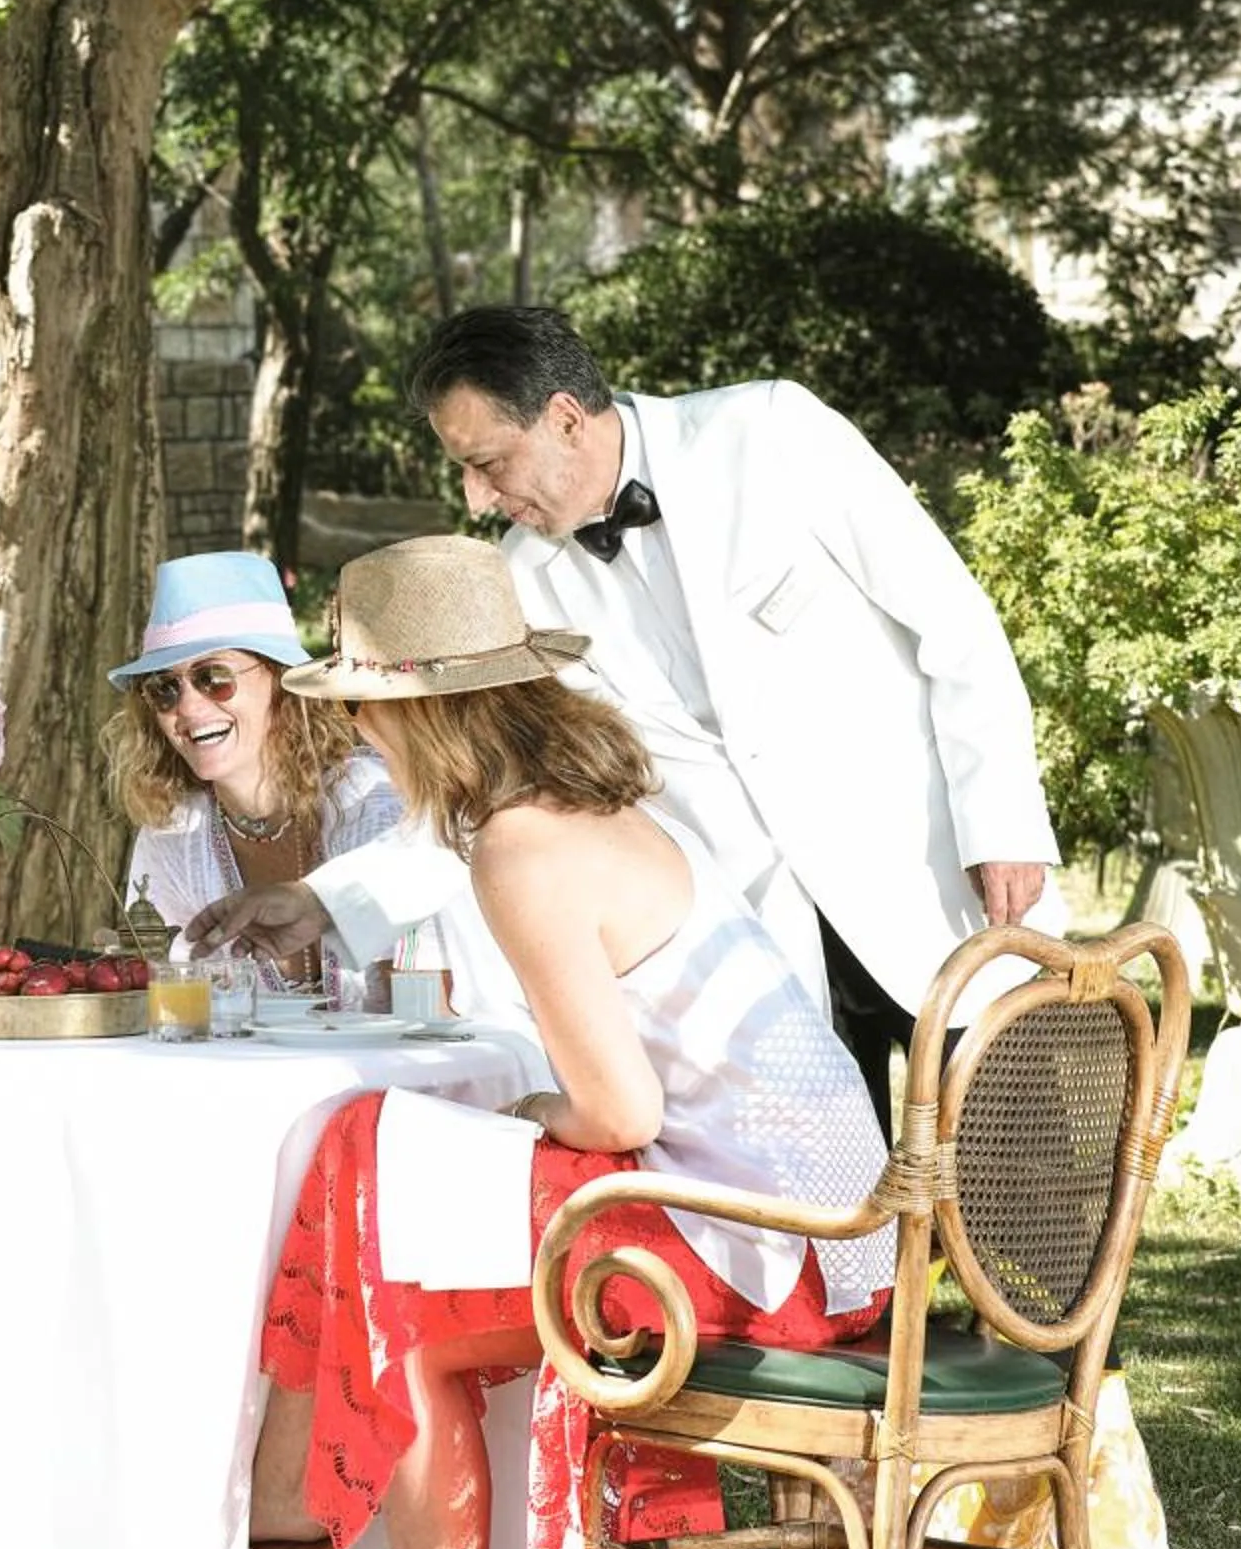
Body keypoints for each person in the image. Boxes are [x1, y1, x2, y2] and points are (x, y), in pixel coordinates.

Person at [195, 304, 1058, 1117]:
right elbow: (503, 797)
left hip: (929, 883)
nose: (476, 498)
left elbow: (955, 624)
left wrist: (1004, 822)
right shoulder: (523, 582)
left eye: (487, 462)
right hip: (761, 963)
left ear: (566, 418)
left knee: (1028, 1207)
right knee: (841, 1241)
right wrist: (327, 899)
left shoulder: (771, 433)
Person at [243, 536, 893, 1549]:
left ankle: (288, 1504)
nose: (356, 732)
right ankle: (293, 1502)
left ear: (416, 711)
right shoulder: (598, 809)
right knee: (387, 1192)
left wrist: (539, 1113)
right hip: (841, 1240)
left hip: (772, 1256)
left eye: (358, 707)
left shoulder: (521, 847)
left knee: (381, 1217)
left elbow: (620, 1115)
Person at [100, 552, 405, 994]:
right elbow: (171, 998)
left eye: (213, 677)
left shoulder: (374, 802)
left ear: (281, 681)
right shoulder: (174, 836)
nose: (187, 708)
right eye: (165, 688)